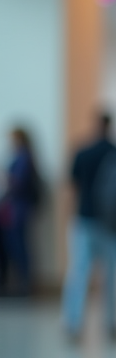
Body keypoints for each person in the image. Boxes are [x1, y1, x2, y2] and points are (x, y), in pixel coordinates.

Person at [61, 113, 116, 341]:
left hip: (84, 218)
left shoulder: (83, 152)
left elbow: (73, 187)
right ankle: (111, 324)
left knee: (79, 273)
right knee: (110, 275)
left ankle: (73, 323)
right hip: (110, 222)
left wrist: (70, 215)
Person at [0, 127, 42, 298]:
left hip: (18, 210)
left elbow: (18, 183)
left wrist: (6, 178)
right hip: (15, 209)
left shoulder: (24, 157)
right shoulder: (23, 156)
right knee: (15, 247)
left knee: (19, 248)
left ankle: (24, 286)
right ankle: (18, 284)